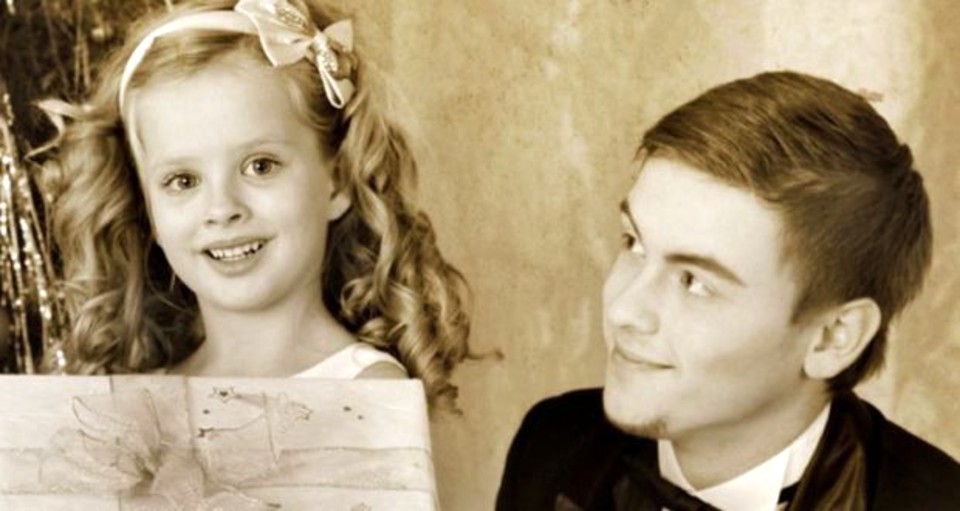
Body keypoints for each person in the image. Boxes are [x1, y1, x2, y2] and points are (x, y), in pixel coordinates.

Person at [497, 71, 960, 510]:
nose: (623, 309)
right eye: (634, 243)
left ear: (832, 337)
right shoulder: (552, 443)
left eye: (694, 282)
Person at [41, 0, 470, 409]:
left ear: (338, 182)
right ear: (146, 208)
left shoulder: (367, 393)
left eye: (260, 166)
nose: (221, 208)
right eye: (183, 181)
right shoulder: (144, 398)